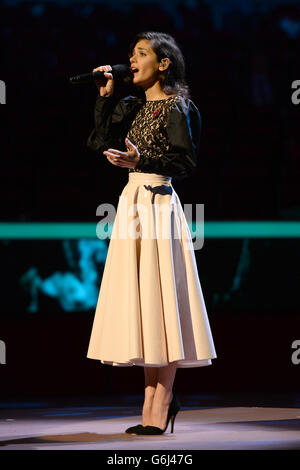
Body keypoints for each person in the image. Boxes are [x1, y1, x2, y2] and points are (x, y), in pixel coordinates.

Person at [86, 31, 217, 435]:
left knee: (163, 302)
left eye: (141, 53)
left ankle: (160, 402)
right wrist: (106, 96)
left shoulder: (177, 107)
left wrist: (142, 159)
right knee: (145, 304)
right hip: (133, 202)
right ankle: (151, 401)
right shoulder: (132, 106)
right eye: (132, 53)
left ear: (163, 64)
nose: (132, 59)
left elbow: (185, 162)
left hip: (159, 203)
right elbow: (99, 142)